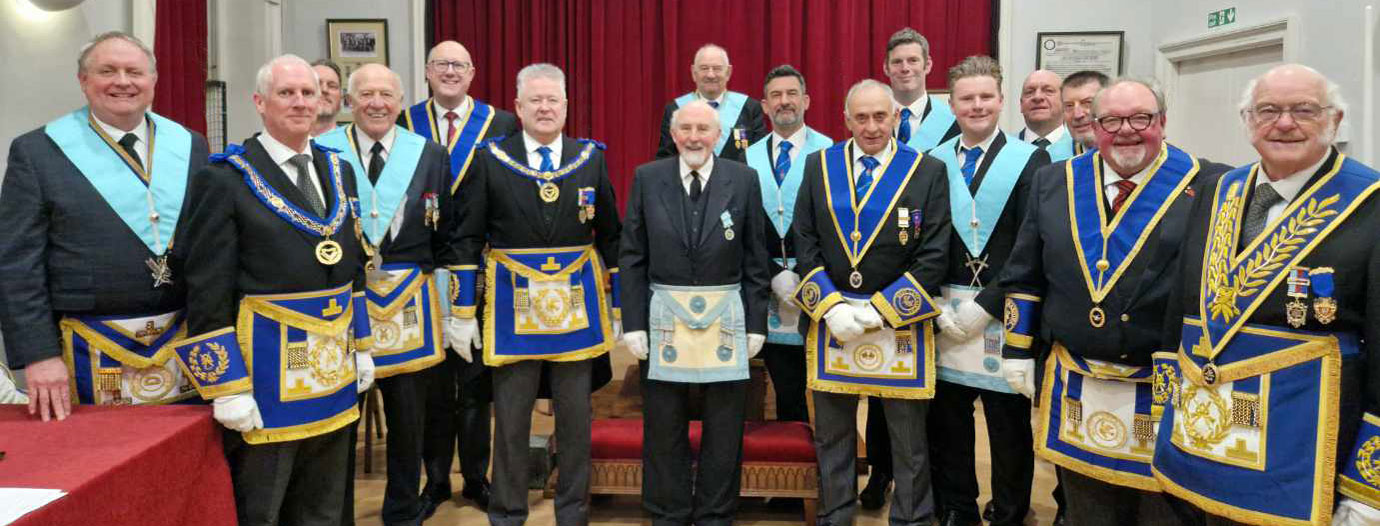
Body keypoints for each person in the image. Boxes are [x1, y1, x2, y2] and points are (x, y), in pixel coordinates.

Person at [997, 77, 1231, 526]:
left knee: (1162, 514)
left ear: (1162, 121)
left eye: (1140, 118)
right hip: (1077, 383)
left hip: (1164, 390)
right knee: (1088, 508)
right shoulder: (1054, 181)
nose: (1125, 130)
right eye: (1111, 120)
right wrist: (1017, 349)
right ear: (1093, 125)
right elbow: (1025, 271)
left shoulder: (1209, 184)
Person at [1153, 64, 1380, 526]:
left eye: (1305, 110)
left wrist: (1367, 488)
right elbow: (1183, 304)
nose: (1284, 123)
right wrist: (1164, 407)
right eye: (1269, 110)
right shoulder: (1218, 188)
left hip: (1307, 454)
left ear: (1335, 121)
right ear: (1248, 121)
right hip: (1204, 439)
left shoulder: (1371, 202)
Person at [174, 53, 374, 526]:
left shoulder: (338, 170)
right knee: (263, 507)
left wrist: (363, 348)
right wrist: (226, 387)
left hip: (333, 374)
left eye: (309, 92)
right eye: (287, 93)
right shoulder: (224, 178)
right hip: (263, 384)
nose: (301, 102)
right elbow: (207, 287)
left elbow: (352, 264)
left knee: (325, 505)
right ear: (260, 102)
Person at [0, 31, 209, 417]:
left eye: (135, 71)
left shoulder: (191, 145)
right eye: (107, 71)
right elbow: (16, 265)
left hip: (183, 343)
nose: (123, 82)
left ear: (153, 80)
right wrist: (38, 354)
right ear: (83, 81)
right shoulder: (37, 152)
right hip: (85, 351)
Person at [452, 63, 621, 526]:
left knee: (575, 421)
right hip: (511, 310)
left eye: (554, 100)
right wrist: (463, 311)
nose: (545, 108)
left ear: (566, 107)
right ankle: (507, 513)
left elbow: (611, 236)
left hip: (575, 312)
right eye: (536, 101)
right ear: (518, 106)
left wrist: (623, 304)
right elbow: (465, 239)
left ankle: (573, 512)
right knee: (509, 419)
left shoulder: (590, 158)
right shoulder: (490, 159)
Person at [792, 78, 951, 526]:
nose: (872, 126)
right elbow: (804, 242)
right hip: (832, 321)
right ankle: (835, 515)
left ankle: (913, 519)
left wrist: (880, 310)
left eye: (881, 115)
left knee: (909, 439)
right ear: (846, 120)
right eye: (861, 117)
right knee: (833, 434)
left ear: (896, 116)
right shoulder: (819, 166)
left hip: (900, 322)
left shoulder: (926, 171)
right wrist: (831, 306)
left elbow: (935, 253)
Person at [316, 63, 456, 526]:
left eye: (386, 94)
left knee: (408, 417)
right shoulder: (323, 150)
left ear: (401, 101)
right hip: (345, 299)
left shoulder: (430, 153)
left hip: (409, 298)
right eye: (367, 94)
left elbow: (446, 230)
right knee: (342, 418)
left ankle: (401, 508)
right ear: (348, 102)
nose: (377, 102)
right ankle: (339, 513)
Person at [620, 98, 770, 526]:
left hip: (727, 319)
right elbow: (632, 255)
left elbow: (756, 257)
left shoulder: (743, 179)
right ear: (672, 133)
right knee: (663, 424)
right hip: (663, 319)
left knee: (724, 427)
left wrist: (755, 322)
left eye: (703, 129)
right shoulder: (647, 178)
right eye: (685, 128)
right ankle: (668, 513)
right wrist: (632, 321)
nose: (694, 137)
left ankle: (715, 514)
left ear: (718, 135)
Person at [925, 56, 1050, 526]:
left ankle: (1010, 509)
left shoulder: (1030, 159)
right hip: (943, 310)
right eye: (966, 98)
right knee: (947, 420)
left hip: (1002, 309)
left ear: (1000, 100)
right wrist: (932, 300)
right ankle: (956, 505)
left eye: (985, 97)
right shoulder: (934, 162)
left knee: (1007, 424)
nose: (976, 106)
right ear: (951, 104)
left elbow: (1031, 242)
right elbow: (926, 238)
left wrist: (989, 303)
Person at [402, 39, 519, 514]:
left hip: (481, 270)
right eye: (441, 64)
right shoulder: (406, 121)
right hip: (422, 273)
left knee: (475, 384)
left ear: (472, 72)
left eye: (459, 65)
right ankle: (434, 481)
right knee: (432, 384)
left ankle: (476, 476)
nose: (450, 72)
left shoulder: (501, 124)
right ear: (427, 71)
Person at [864, 28, 961, 505]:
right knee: (874, 381)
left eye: (912, 61)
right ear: (887, 68)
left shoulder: (952, 119)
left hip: (928, 265)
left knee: (924, 392)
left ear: (928, 64)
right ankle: (879, 473)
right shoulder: (874, 116)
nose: (905, 69)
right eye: (896, 62)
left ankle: (927, 488)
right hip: (873, 270)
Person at [743, 65, 832, 423]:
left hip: (820, 284)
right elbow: (744, 233)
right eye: (776, 96)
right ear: (764, 106)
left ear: (806, 100)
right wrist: (773, 274)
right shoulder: (745, 159)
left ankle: (827, 470)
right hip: (767, 290)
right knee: (786, 390)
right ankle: (791, 465)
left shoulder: (831, 151)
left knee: (828, 392)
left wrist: (808, 274)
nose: (784, 102)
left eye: (792, 94)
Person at [655, 44, 767, 163]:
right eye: (704, 68)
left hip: (738, 180)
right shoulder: (676, 109)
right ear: (694, 72)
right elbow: (666, 159)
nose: (710, 75)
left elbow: (759, 157)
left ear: (728, 72)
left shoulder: (750, 108)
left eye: (717, 68)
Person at [1016, 69, 1076, 162]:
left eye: (1048, 90)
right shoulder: (1004, 149)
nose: (1037, 97)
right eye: (1030, 92)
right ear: (1021, 105)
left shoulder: (1080, 148)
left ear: (1065, 102)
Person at [1060, 70, 1110, 155]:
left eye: (1088, 103)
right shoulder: (1054, 159)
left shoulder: (1134, 154)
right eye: (1069, 106)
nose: (1077, 115)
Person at [312, 59, 344, 137]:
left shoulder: (355, 146)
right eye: (317, 84)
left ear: (341, 97)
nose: (324, 90)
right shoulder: (283, 143)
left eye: (332, 86)